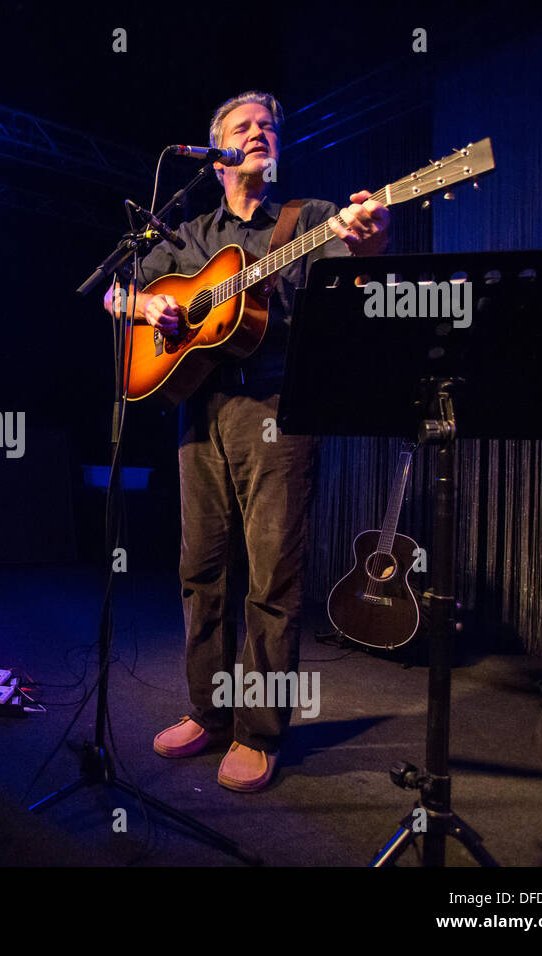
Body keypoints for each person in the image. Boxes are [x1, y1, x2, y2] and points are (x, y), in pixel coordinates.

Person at [105, 92, 389, 791]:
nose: (260, 133)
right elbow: (115, 294)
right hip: (197, 405)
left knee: (272, 575)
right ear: (218, 153)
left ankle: (259, 731)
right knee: (200, 569)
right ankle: (209, 711)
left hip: (274, 407)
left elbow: (359, 279)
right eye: (244, 127)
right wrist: (150, 303)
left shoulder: (310, 218)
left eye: (268, 126)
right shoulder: (188, 233)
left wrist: (369, 243)